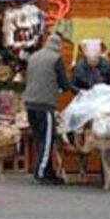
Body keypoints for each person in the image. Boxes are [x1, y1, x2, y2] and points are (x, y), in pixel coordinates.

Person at [23, 33, 74, 185]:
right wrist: (73, 89)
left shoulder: (34, 57)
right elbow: (64, 84)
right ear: (59, 46)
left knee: (39, 138)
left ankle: (47, 170)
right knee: (47, 140)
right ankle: (40, 173)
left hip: (30, 103)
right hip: (44, 104)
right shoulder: (55, 59)